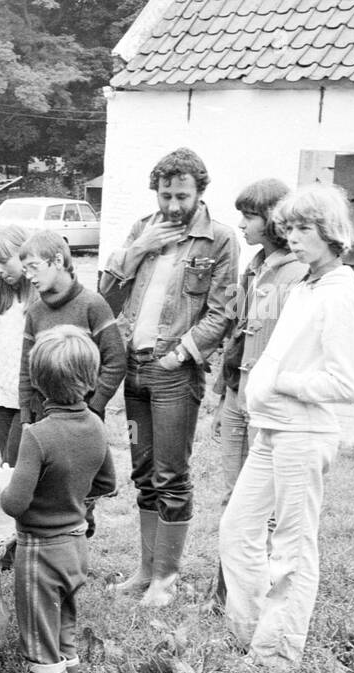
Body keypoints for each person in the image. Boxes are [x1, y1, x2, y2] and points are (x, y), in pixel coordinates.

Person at [219, 184, 354, 670]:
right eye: (291, 228)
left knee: (292, 548)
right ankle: (248, 634)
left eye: (305, 228)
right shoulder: (308, 285)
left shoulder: (341, 293)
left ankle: (276, 660)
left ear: (332, 233)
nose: (295, 238)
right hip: (272, 429)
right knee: (237, 528)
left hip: (304, 433)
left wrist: (281, 381)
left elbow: (346, 382)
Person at [99, 148, 240, 607]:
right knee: (143, 472)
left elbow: (221, 313)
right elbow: (107, 297)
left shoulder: (219, 240)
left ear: (200, 193)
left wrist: (179, 355)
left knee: (170, 474)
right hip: (132, 368)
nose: (174, 206)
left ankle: (166, 579)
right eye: (166, 195)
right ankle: (144, 571)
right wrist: (139, 248)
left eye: (182, 195)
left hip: (174, 372)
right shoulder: (143, 229)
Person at [0, 326, 116, 673]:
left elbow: (14, 503)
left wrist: (4, 480)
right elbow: (107, 482)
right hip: (76, 547)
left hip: (39, 552)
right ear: (90, 379)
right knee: (64, 639)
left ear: (37, 383)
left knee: (40, 647)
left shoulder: (37, 435)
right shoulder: (96, 425)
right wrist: (72, 497)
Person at [205, 179, 309, 612]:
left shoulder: (297, 272)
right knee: (234, 497)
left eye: (249, 216)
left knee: (266, 506)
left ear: (273, 221)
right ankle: (225, 590)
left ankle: (260, 593)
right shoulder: (252, 266)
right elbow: (234, 334)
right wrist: (220, 397)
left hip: (270, 404)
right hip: (236, 398)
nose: (242, 224)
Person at [19, 229, 125, 538]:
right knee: (48, 486)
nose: (29, 276)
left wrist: (92, 408)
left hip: (82, 421)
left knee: (82, 493)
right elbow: (27, 370)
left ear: (57, 261)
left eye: (34, 267)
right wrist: (27, 417)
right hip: (45, 419)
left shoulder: (93, 304)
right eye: (24, 269)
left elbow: (116, 361)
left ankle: (78, 546)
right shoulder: (35, 312)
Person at [0, 225, 34, 466]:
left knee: (18, 461)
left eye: (4, 261)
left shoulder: (39, 300)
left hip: (27, 398)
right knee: (6, 461)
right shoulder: (3, 298)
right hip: (1, 394)